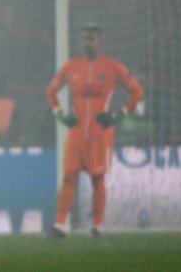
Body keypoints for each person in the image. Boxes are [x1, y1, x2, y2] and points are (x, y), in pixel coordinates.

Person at [45, 22, 143, 238]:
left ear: (99, 41)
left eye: (91, 38)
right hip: (77, 133)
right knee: (69, 176)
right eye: (84, 39)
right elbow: (51, 91)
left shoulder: (112, 67)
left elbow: (136, 91)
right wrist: (60, 115)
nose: (87, 43)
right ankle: (60, 225)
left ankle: (97, 226)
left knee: (97, 179)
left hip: (100, 133)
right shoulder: (71, 67)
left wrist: (119, 115)